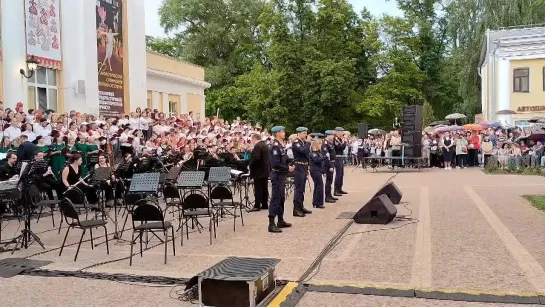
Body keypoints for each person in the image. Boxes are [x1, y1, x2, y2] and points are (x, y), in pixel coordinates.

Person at [268, 126, 294, 233]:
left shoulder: (280, 146)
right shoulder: (275, 146)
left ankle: (280, 219)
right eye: (282, 131)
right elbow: (275, 164)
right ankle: (271, 223)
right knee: (275, 198)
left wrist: (292, 161)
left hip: (281, 175)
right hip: (277, 175)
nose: (284, 133)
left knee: (281, 198)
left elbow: (284, 159)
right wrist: (288, 168)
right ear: (277, 133)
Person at [291, 127, 312, 217]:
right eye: (304, 133)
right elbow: (303, 151)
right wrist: (308, 142)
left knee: (302, 188)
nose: (305, 135)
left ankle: (301, 206)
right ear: (299, 134)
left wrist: (308, 166)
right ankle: (296, 209)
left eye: (306, 133)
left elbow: (307, 155)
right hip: (298, 166)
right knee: (298, 188)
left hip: (303, 166)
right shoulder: (296, 143)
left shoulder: (303, 143)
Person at [249, 133, 270, 212]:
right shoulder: (265, 145)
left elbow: (256, 158)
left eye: (252, 140)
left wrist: (250, 164)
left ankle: (257, 205)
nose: (252, 142)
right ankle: (265, 204)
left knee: (258, 188)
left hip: (258, 171)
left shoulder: (258, 146)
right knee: (264, 188)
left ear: (254, 139)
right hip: (265, 170)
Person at [309, 136, 325, 209]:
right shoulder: (313, 152)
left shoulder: (317, 152)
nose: (320, 145)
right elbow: (316, 160)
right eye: (319, 144)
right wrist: (324, 157)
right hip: (315, 171)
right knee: (319, 186)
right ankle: (318, 203)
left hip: (317, 170)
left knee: (317, 186)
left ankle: (315, 202)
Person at [322, 131, 337, 203]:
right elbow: (326, 156)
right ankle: (327, 197)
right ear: (328, 135)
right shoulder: (325, 143)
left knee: (330, 180)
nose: (333, 137)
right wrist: (330, 166)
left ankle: (329, 195)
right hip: (328, 164)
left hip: (332, 163)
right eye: (332, 135)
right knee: (328, 180)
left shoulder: (330, 143)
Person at [333, 127, 347, 196]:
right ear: (337, 132)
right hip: (337, 157)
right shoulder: (335, 139)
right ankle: (336, 190)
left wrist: (344, 141)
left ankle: (339, 188)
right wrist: (344, 142)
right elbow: (340, 147)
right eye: (341, 132)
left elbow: (343, 147)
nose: (342, 133)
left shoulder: (340, 139)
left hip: (340, 157)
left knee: (341, 174)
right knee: (338, 174)